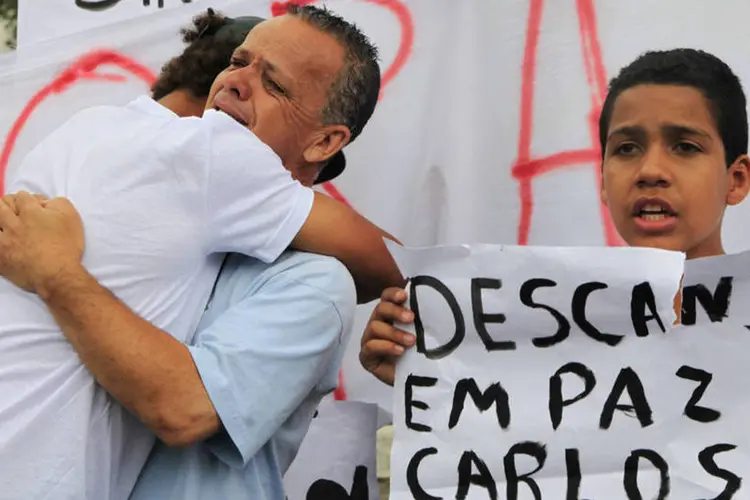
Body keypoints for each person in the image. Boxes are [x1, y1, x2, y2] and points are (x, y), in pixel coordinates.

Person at [0, 5, 402, 500]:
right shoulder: (185, 168)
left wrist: (56, 273)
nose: (233, 81)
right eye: (237, 61)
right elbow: (397, 268)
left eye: (274, 84)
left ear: (324, 142)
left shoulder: (314, 281)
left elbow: (184, 407)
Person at [357, 48, 750, 498]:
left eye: (685, 146)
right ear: (603, 179)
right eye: (626, 148)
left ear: (736, 179)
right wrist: (432, 374)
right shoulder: (531, 333)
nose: (651, 171)